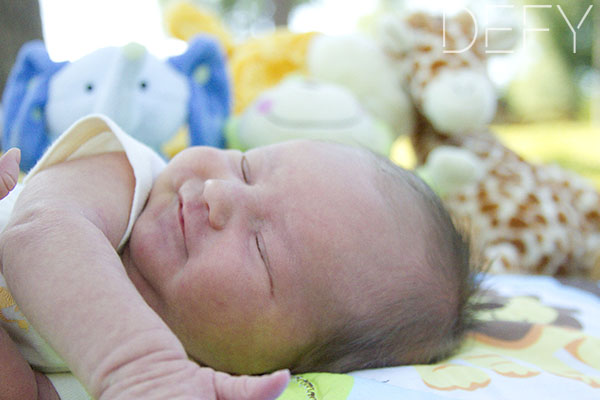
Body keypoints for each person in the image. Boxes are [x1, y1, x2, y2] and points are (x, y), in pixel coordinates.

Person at [0, 114, 478, 399]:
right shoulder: (127, 178)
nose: (218, 192)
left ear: (259, 367)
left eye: (261, 249)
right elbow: (40, 232)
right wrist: (141, 368)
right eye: (246, 166)